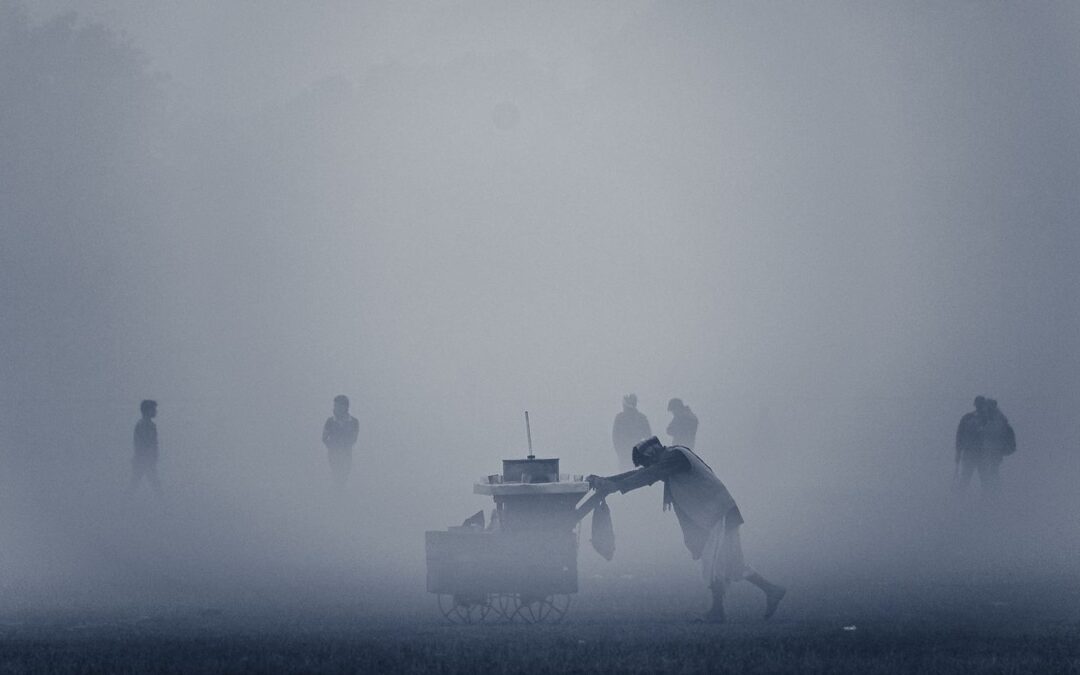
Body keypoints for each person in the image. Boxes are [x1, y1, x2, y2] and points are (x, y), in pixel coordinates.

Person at [588, 436, 785, 623]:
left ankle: (718, 612)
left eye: (646, 461)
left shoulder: (675, 457)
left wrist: (613, 486)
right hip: (717, 514)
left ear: (652, 453)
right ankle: (771, 591)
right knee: (732, 564)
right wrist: (607, 480)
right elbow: (642, 474)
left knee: (713, 563)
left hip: (719, 514)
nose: (647, 466)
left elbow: (647, 474)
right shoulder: (669, 458)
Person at [954, 396, 1016, 495]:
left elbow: (960, 436)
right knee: (980, 479)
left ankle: (985, 501)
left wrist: (958, 452)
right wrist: (958, 452)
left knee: (980, 480)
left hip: (979, 454)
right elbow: (960, 435)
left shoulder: (981, 418)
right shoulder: (986, 418)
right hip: (978, 454)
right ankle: (987, 501)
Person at [322, 394, 359, 489]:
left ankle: (342, 494)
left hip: (346, 453)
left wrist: (344, 444)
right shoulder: (330, 421)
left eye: (338, 406)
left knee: (344, 474)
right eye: (335, 406)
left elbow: (354, 438)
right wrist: (332, 446)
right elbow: (324, 438)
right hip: (333, 453)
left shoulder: (354, 422)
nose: (336, 408)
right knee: (335, 474)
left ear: (345, 407)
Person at [612, 394, 652, 471]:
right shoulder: (641, 417)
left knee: (625, 473)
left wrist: (618, 450)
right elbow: (648, 436)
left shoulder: (620, 417)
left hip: (625, 451)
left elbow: (615, 436)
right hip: (634, 451)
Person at [130, 399, 162, 495]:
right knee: (155, 485)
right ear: (148, 411)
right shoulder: (144, 425)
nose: (155, 411)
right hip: (144, 460)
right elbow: (145, 444)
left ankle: (125, 504)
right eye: (153, 409)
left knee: (135, 484)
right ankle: (164, 505)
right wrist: (149, 457)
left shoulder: (149, 425)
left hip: (144, 460)